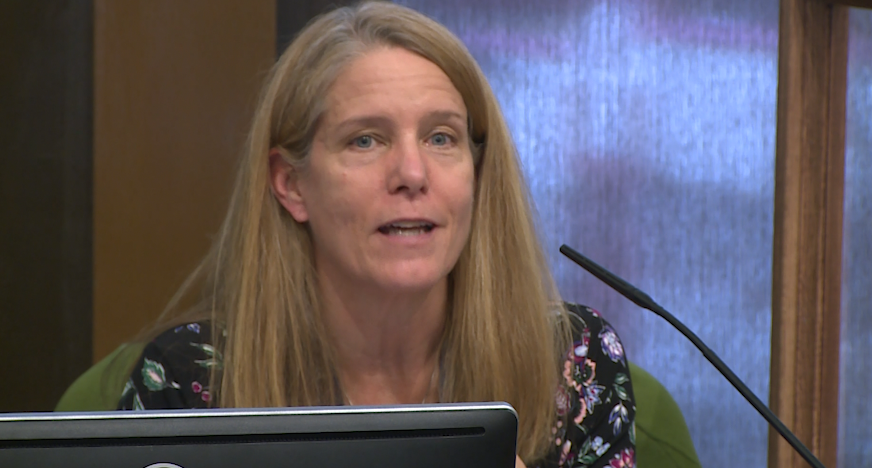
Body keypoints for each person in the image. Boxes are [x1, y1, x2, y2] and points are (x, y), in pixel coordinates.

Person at [117, 2, 636, 467]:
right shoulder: (188, 380)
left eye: (441, 138)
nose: (412, 173)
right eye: (365, 140)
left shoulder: (574, 362)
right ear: (291, 183)